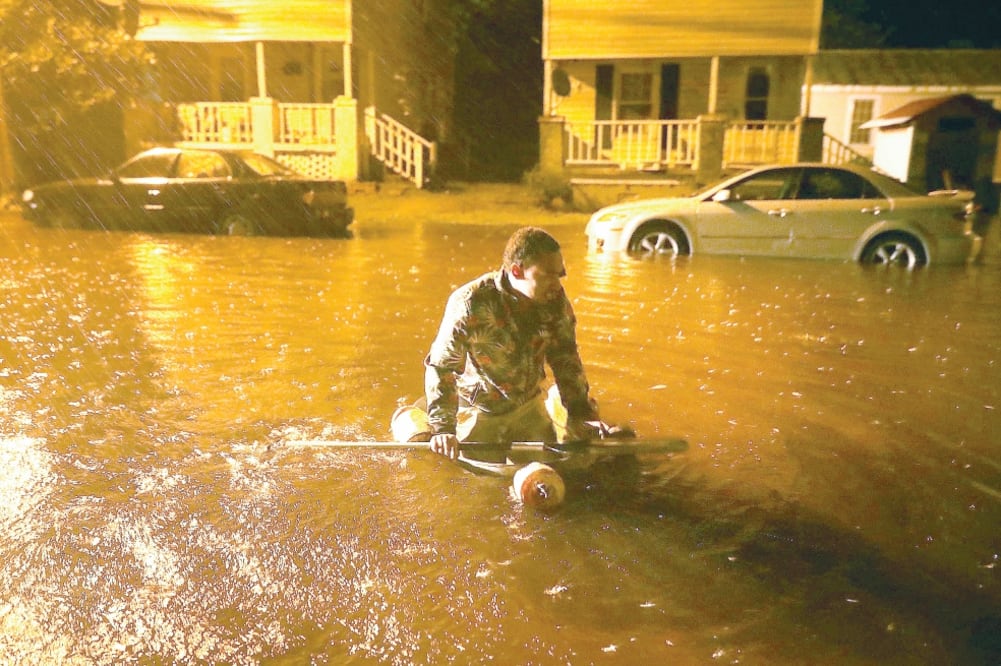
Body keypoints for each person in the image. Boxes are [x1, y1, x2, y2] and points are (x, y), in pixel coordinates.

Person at [423, 226, 602, 459]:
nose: (557, 285)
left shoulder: (554, 300)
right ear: (517, 271)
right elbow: (442, 366)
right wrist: (443, 429)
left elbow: (565, 357)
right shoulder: (470, 302)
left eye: (560, 274)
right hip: (481, 409)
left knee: (556, 465)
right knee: (479, 482)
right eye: (548, 275)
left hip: (528, 404)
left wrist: (580, 413)